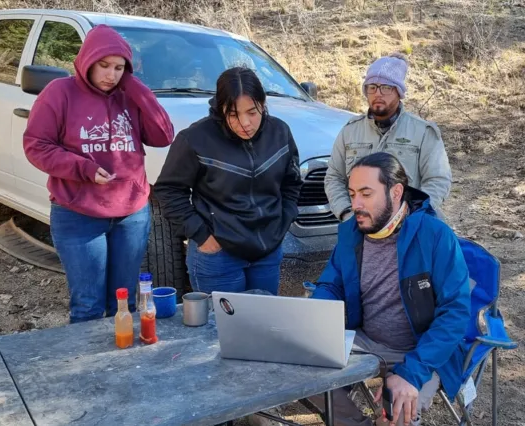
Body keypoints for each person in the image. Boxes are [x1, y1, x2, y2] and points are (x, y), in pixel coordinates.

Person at [23, 25, 174, 323]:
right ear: (87, 61)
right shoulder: (60, 92)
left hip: (131, 213)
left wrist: (135, 87)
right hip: (78, 213)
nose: (111, 74)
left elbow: (163, 135)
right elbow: (36, 146)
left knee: (125, 301)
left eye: (120, 68)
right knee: (89, 305)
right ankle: (89, 368)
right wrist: (85, 169)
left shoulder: (128, 94)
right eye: (104, 65)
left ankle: (122, 364)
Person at [308, 152, 470, 426]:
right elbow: (330, 285)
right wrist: (314, 319)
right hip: (364, 341)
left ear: (396, 192)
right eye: (351, 193)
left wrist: (412, 373)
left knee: (399, 415)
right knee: (302, 373)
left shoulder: (434, 235)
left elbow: (455, 312)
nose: (355, 204)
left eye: (366, 194)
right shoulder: (350, 233)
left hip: (421, 349)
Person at [154, 67, 302, 297]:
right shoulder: (195, 139)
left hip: (267, 252)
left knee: (262, 324)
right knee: (221, 330)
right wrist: (201, 235)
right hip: (218, 255)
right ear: (220, 108)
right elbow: (169, 190)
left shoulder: (280, 132)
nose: (245, 123)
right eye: (233, 114)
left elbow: (291, 183)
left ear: (263, 104)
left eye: (252, 112)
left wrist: (282, 222)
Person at [324, 53, 452, 222]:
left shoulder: (423, 132)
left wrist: (412, 215)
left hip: (411, 225)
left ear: (399, 92)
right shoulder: (350, 131)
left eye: (386, 87)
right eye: (372, 87)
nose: (378, 93)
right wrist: (347, 213)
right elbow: (334, 177)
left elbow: (438, 180)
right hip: (362, 227)